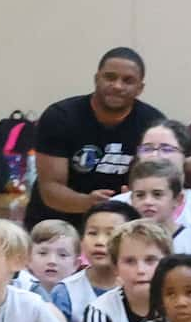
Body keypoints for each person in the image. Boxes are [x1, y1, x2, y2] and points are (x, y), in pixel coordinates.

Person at [24, 48, 165, 227]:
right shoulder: (60, 117)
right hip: (56, 223)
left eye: (128, 80)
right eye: (110, 77)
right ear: (97, 78)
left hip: (121, 224)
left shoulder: (153, 125)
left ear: (140, 88)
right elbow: (50, 190)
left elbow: (157, 183)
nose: (117, 86)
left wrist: (133, 198)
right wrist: (89, 203)